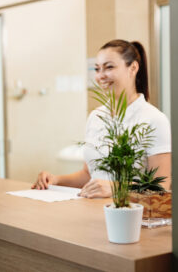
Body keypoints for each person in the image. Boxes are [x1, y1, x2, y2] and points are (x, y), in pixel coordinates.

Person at [32, 39, 171, 198]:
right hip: (91, 211)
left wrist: (117, 188)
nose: (100, 76)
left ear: (133, 68)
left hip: (133, 216)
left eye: (109, 67)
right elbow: (89, 174)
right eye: (97, 69)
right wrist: (55, 179)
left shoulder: (154, 119)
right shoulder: (96, 116)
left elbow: (160, 187)